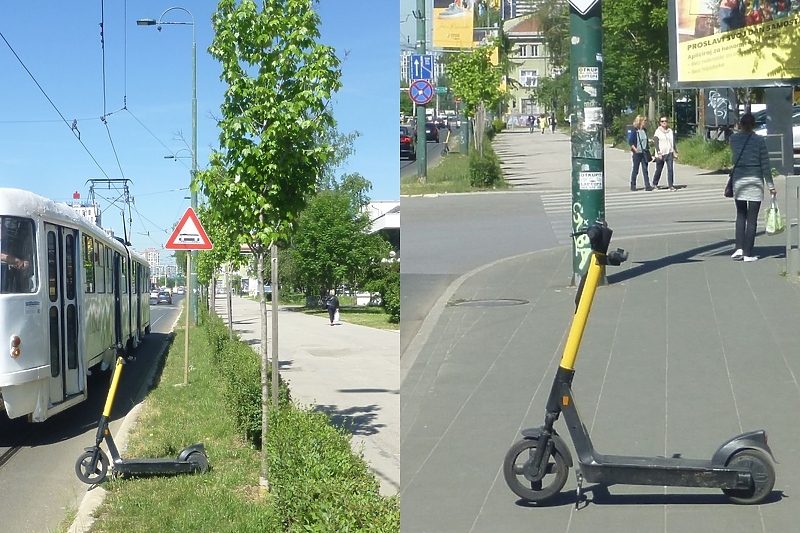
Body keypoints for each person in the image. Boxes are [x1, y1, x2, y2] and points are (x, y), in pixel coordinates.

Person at [729, 112, 776, 262]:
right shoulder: (759, 140)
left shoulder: (733, 139)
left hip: (739, 180)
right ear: (754, 125)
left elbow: (734, 157)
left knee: (740, 215)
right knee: (752, 218)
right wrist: (771, 185)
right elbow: (765, 164)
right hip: (755, 179)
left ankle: (739, 248)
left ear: (741, 124)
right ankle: (748, 253)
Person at [652, 116, 679, 191]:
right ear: (660, 123)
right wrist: (658, 152)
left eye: (665, 121)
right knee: (659, 170)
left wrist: (675, 151)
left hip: (669, 152)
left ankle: (671, 185)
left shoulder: (670, 131)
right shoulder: (658, 131)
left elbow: (673, 142)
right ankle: (655, 183)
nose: (664, 122)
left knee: (670, 169)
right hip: (661, 153)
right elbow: (656, 142)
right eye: (662, 121)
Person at [627, 115, 653, 191]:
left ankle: (647, 185)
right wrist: (635, 149)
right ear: (640, 121)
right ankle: (633, 185)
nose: (645, 122)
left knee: (645, 169)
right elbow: (630, 141)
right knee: (636, 169)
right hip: (637, 153)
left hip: (644, 152)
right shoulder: (634, 130)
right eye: (644, 121)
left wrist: (649, 141)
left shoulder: (644, 130)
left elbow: (644, 139)